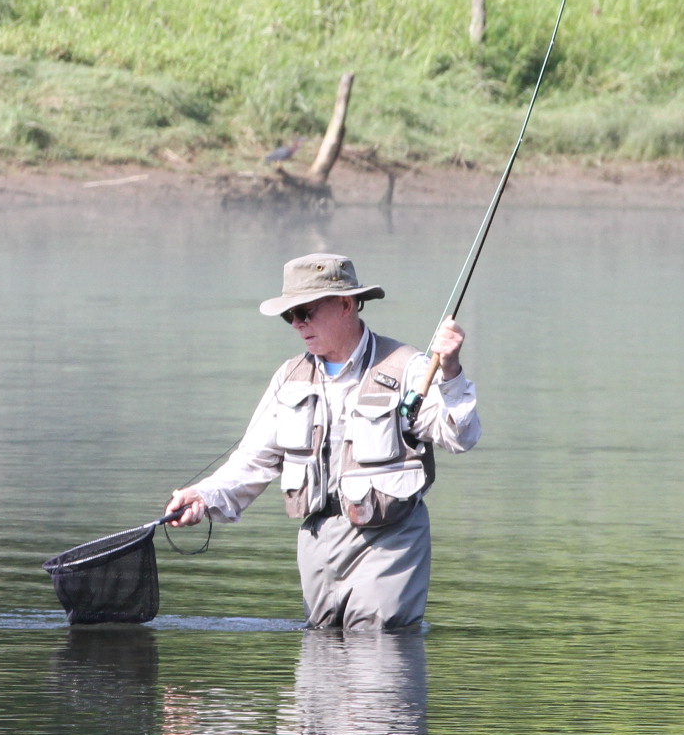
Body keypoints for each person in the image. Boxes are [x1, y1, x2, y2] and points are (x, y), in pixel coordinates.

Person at [166, 252, 478, 630]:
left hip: (390, 542)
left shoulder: (408, 366)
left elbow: (459, 436)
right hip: (316, 544)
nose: (297, 325)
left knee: (375, 653)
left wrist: (450, 371)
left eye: (306, 312)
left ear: (346, 304)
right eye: (289, 316)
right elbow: (252, 462)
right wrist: (203, 496)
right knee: (319, 671)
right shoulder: (290, 377)